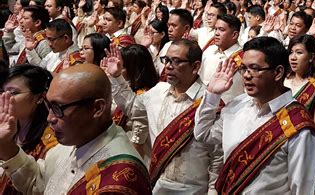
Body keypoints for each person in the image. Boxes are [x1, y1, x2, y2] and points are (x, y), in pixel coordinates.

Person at [194, 36, 315, 194]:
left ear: (278, 72)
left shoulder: (297, 125)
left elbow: (302, 190)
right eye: (244, 69)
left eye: (255, 68)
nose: (246, 75)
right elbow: (203, 134)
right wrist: (212, 94)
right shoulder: (237, 105)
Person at [0, 64, 152, 194]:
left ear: (97, 108)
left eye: (58, 108)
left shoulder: (119, 177)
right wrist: (7, 145)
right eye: (49, 106)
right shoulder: (68, 144)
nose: (50, 118)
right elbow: (37, 185)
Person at [104, 39, 222, 194]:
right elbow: (133, 109)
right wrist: (117, 77)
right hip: (157, 183)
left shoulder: (210, 101)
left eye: (176, 61)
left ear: (195, 66)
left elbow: (218, 154)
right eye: (166, 60)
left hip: (193, 190)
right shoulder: (158, 91)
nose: (168, 66)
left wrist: (213, 191)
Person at [0, 65, 57, 194]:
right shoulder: (5, 125)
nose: (5, 98)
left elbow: (40, 189)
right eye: (2, 92)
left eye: (13, 93)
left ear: (40, 97)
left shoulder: (52, 141)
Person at [285, 34, 315, 136]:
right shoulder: (283, 79)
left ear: (311, 57)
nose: (293, 57)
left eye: (299, 53)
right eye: (291, 52)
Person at [199, 14, 245, 103]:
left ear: (234, 35)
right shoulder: (208, 51)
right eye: (215, 29)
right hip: (204, 106)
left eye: (221, 30)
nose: (216, 33)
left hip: (231, 111)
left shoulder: (243, 58)